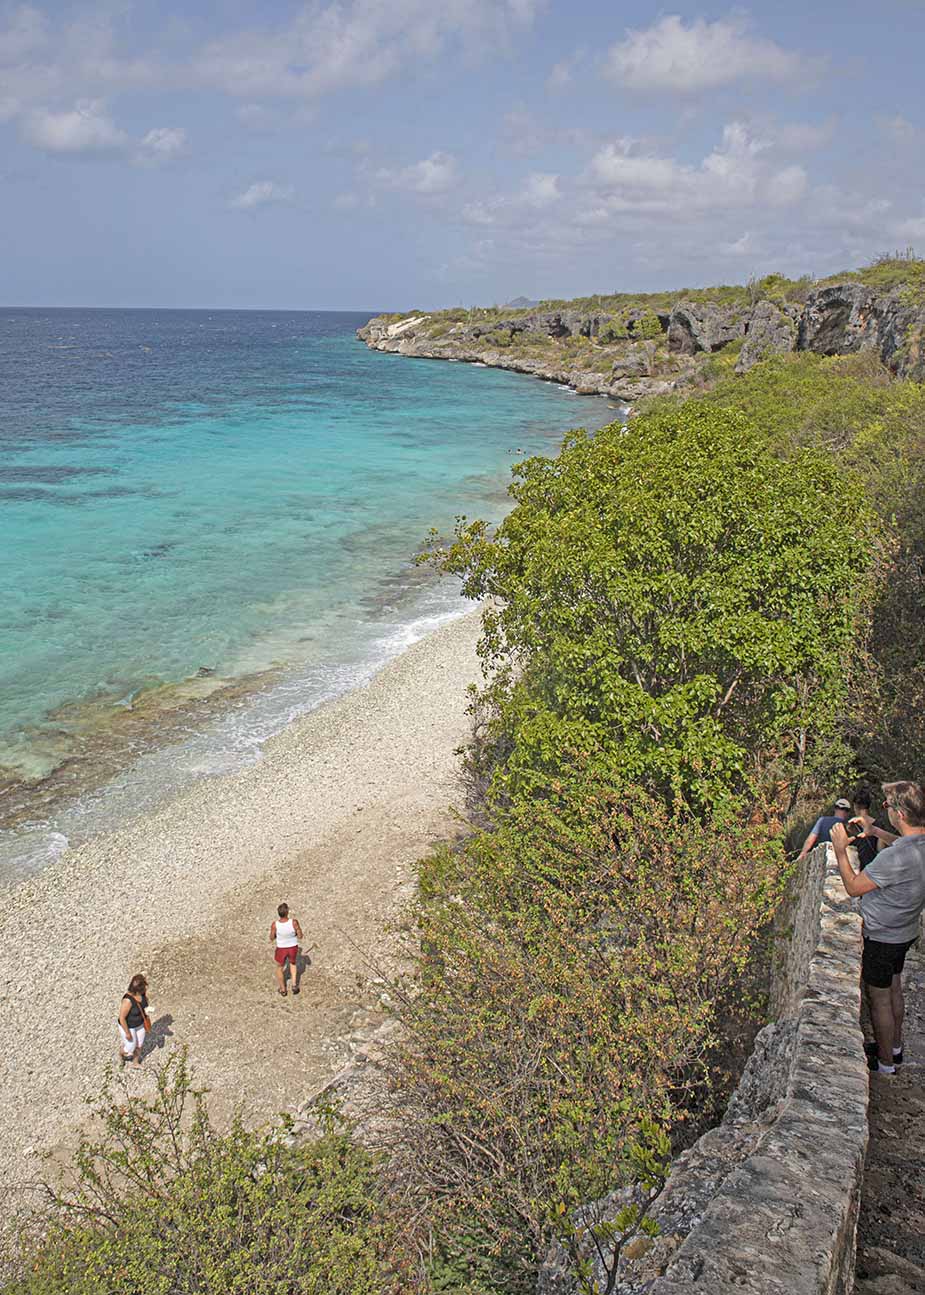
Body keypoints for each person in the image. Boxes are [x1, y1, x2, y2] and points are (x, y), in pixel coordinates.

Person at [831, 780, 925, 1075]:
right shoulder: (918, 846)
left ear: (900, 814)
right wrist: (874, 832)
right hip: (905, 932)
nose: (885, 812)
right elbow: (903, 843)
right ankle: (895, 1050)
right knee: (894, 986)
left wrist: (840, 851)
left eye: (887, 807)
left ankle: (885, 1065)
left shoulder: (893, 859)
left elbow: (854, 886)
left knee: (879, 999)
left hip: (881, 935)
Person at [270, 902, 303, 996]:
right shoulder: (294, 922)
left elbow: (272, 937)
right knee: (293, 964)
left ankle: (283, 989)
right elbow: (300, 936)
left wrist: (276, 934)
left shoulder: (275, 924)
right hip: (292, 947)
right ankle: (294, 985)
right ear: (287, 912)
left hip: (281, 948)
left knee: (279, 968)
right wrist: (297, 933)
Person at [118, 974, 150, 1068]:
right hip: (129, 1026)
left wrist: (147, 1010)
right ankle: (121, 1054)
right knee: (130, 1048)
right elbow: (122, 1018)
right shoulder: (127, 1000)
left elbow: (144, 1003)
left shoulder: (142, 993)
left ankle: (135, 1063)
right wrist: (127, 1033)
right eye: (144, 986)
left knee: (139, 1045)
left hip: (140, 1025)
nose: (145, 988)